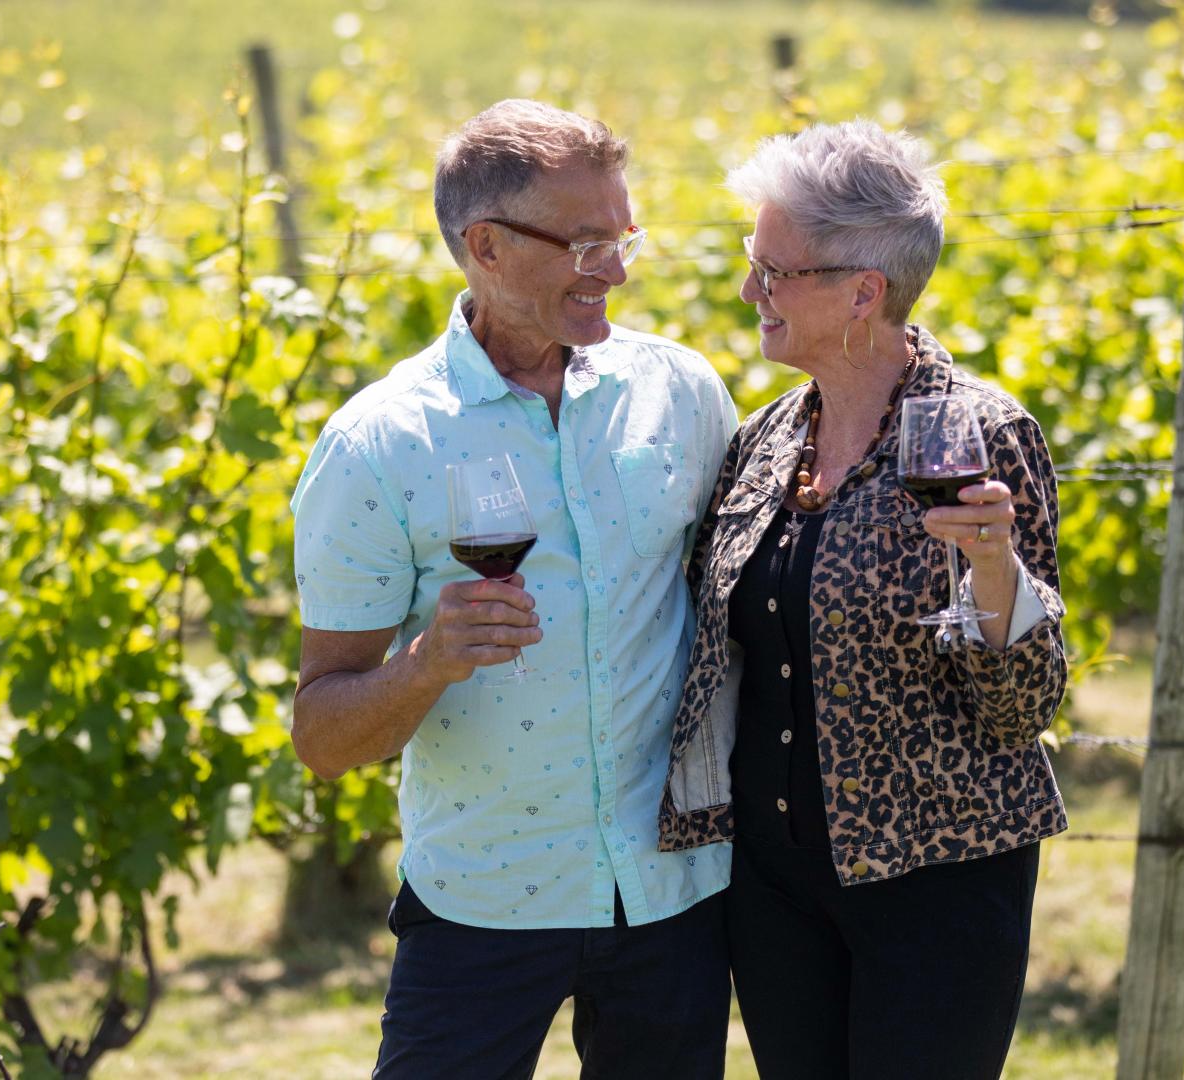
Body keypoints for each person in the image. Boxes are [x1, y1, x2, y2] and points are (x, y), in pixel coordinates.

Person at [289, 99, 739, 1080]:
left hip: (670, 897)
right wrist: (426, 666)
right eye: (584, 244)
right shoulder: (379, 447)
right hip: (483, 900)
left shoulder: (683, 393)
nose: (615, 270)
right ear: (484, 246)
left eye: (624, 237)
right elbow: (322, 738)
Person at [659, 120, 1068, 1079]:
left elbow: (1023, 707)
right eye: (750, 260)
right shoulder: (762, 441)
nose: (749, 290)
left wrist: (996, 570)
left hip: (937, 880)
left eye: (773, 269)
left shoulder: (979, 436)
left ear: (862, 292)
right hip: (773, 886)